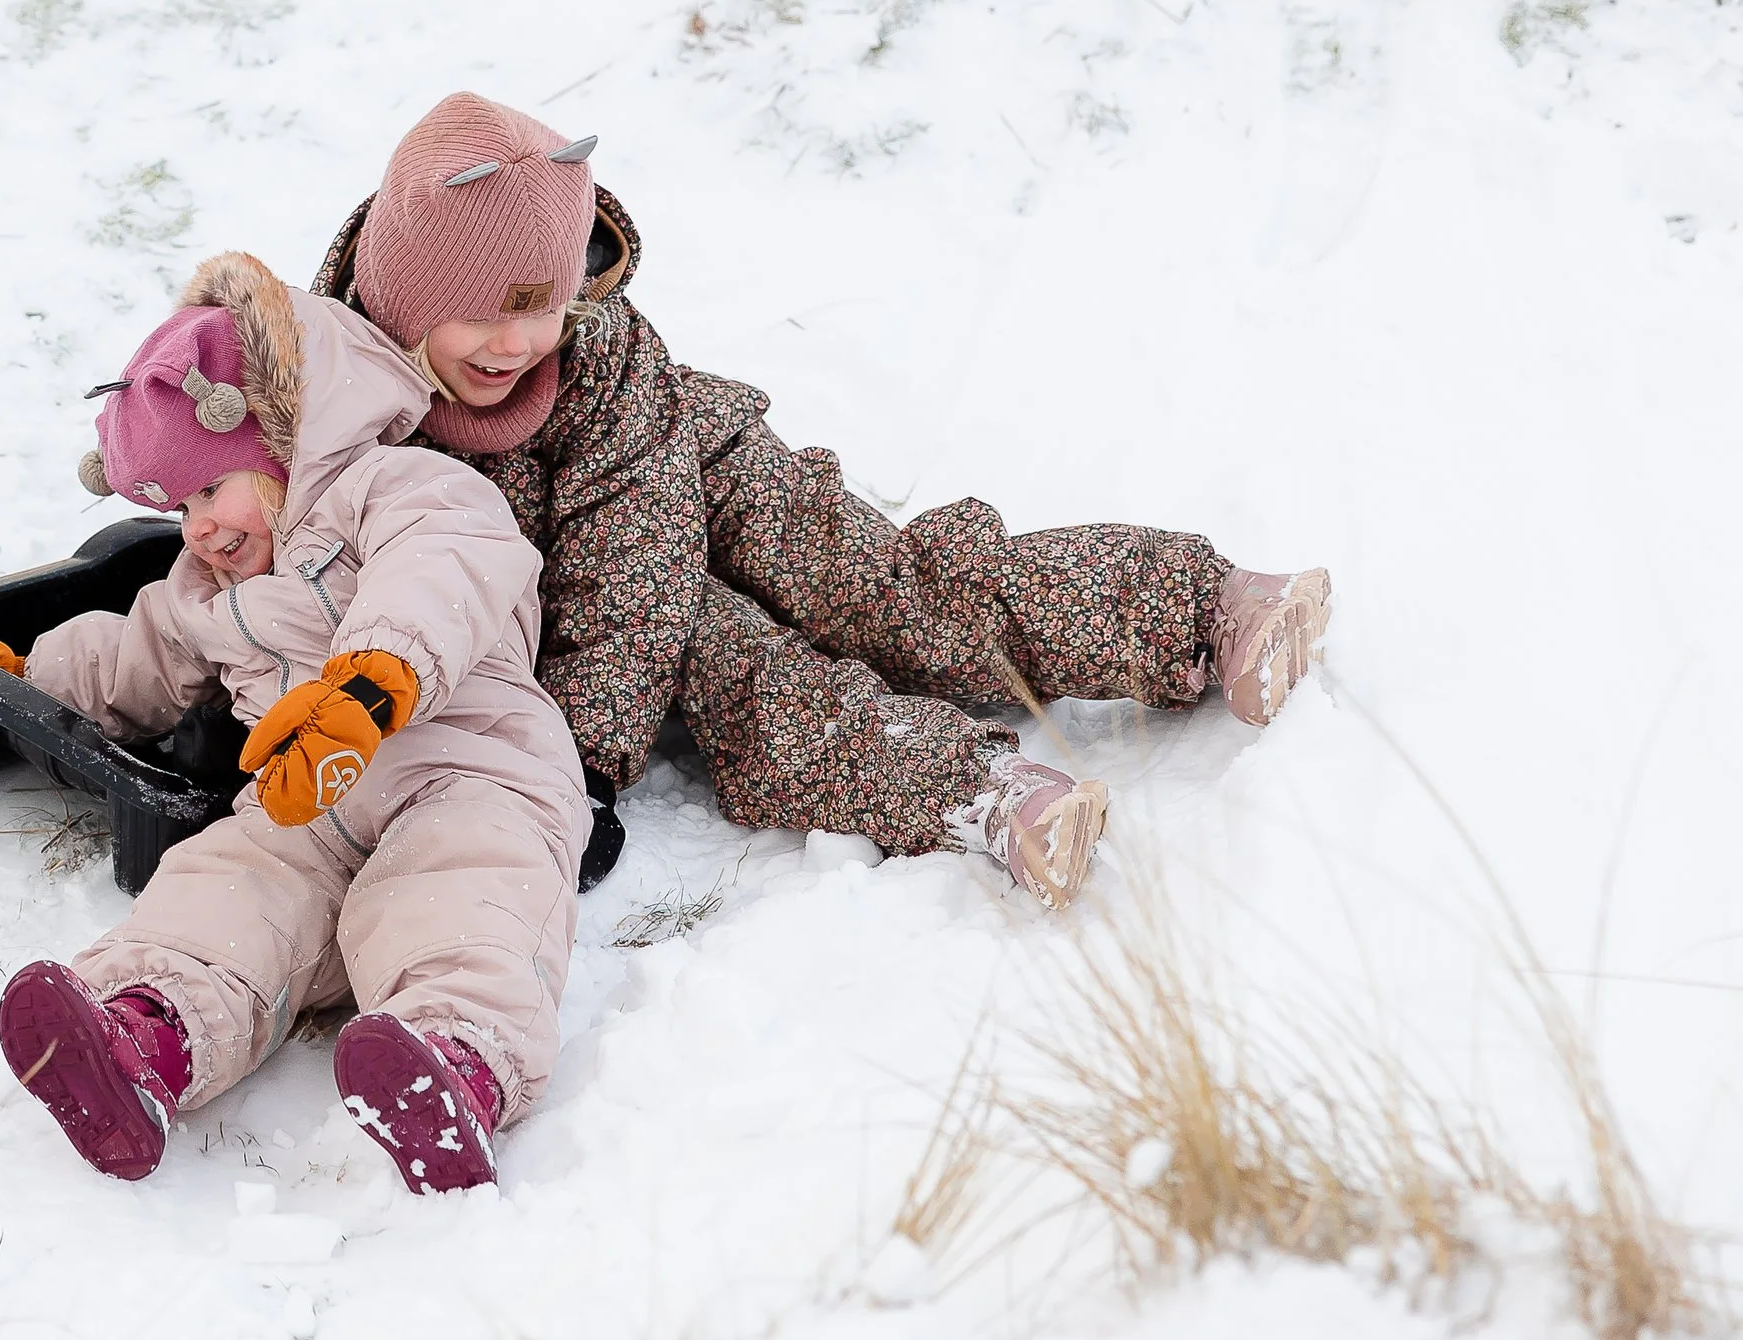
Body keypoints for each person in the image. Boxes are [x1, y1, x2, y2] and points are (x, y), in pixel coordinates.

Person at [314, 94, 1333, 912]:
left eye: (543, 313)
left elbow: (631, 562)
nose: (516, 346)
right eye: (482, 320)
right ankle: (978, 792)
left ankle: (1199, 603)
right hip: (532, 577)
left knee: (887, 589)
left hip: (685, 469)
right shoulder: (332, 401)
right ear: (411, 296)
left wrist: (581, 762)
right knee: (741, 673)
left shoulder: (598, 350)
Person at [0, 251, 589, 1194]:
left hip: (470, 767)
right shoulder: (202, 588)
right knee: (228, 884)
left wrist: (369, 686)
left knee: (462, 890)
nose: (199, 528)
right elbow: (132, 663)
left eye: (213, 489)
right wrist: (15, 670)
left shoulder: (400, 490)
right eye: (180, 507)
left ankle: (457, 1062)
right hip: (306, 804)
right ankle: (149, 1034)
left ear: (284, 442)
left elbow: (445, 567)